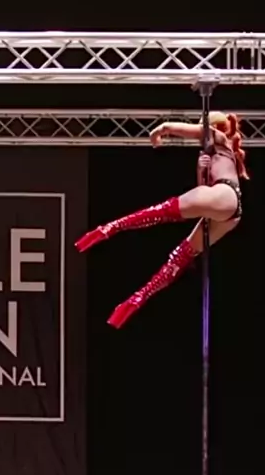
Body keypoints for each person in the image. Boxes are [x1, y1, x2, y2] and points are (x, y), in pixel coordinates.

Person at [74, 111, 249, 328]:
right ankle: (136, 300)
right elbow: (202, 192)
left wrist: (162, 129)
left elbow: (191, 132)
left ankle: (109, 228)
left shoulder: (219, 138)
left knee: (163, 211)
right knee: (183, 253)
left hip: (224, 194)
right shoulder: (217, 153)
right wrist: (201, 168)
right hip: (229, 211)